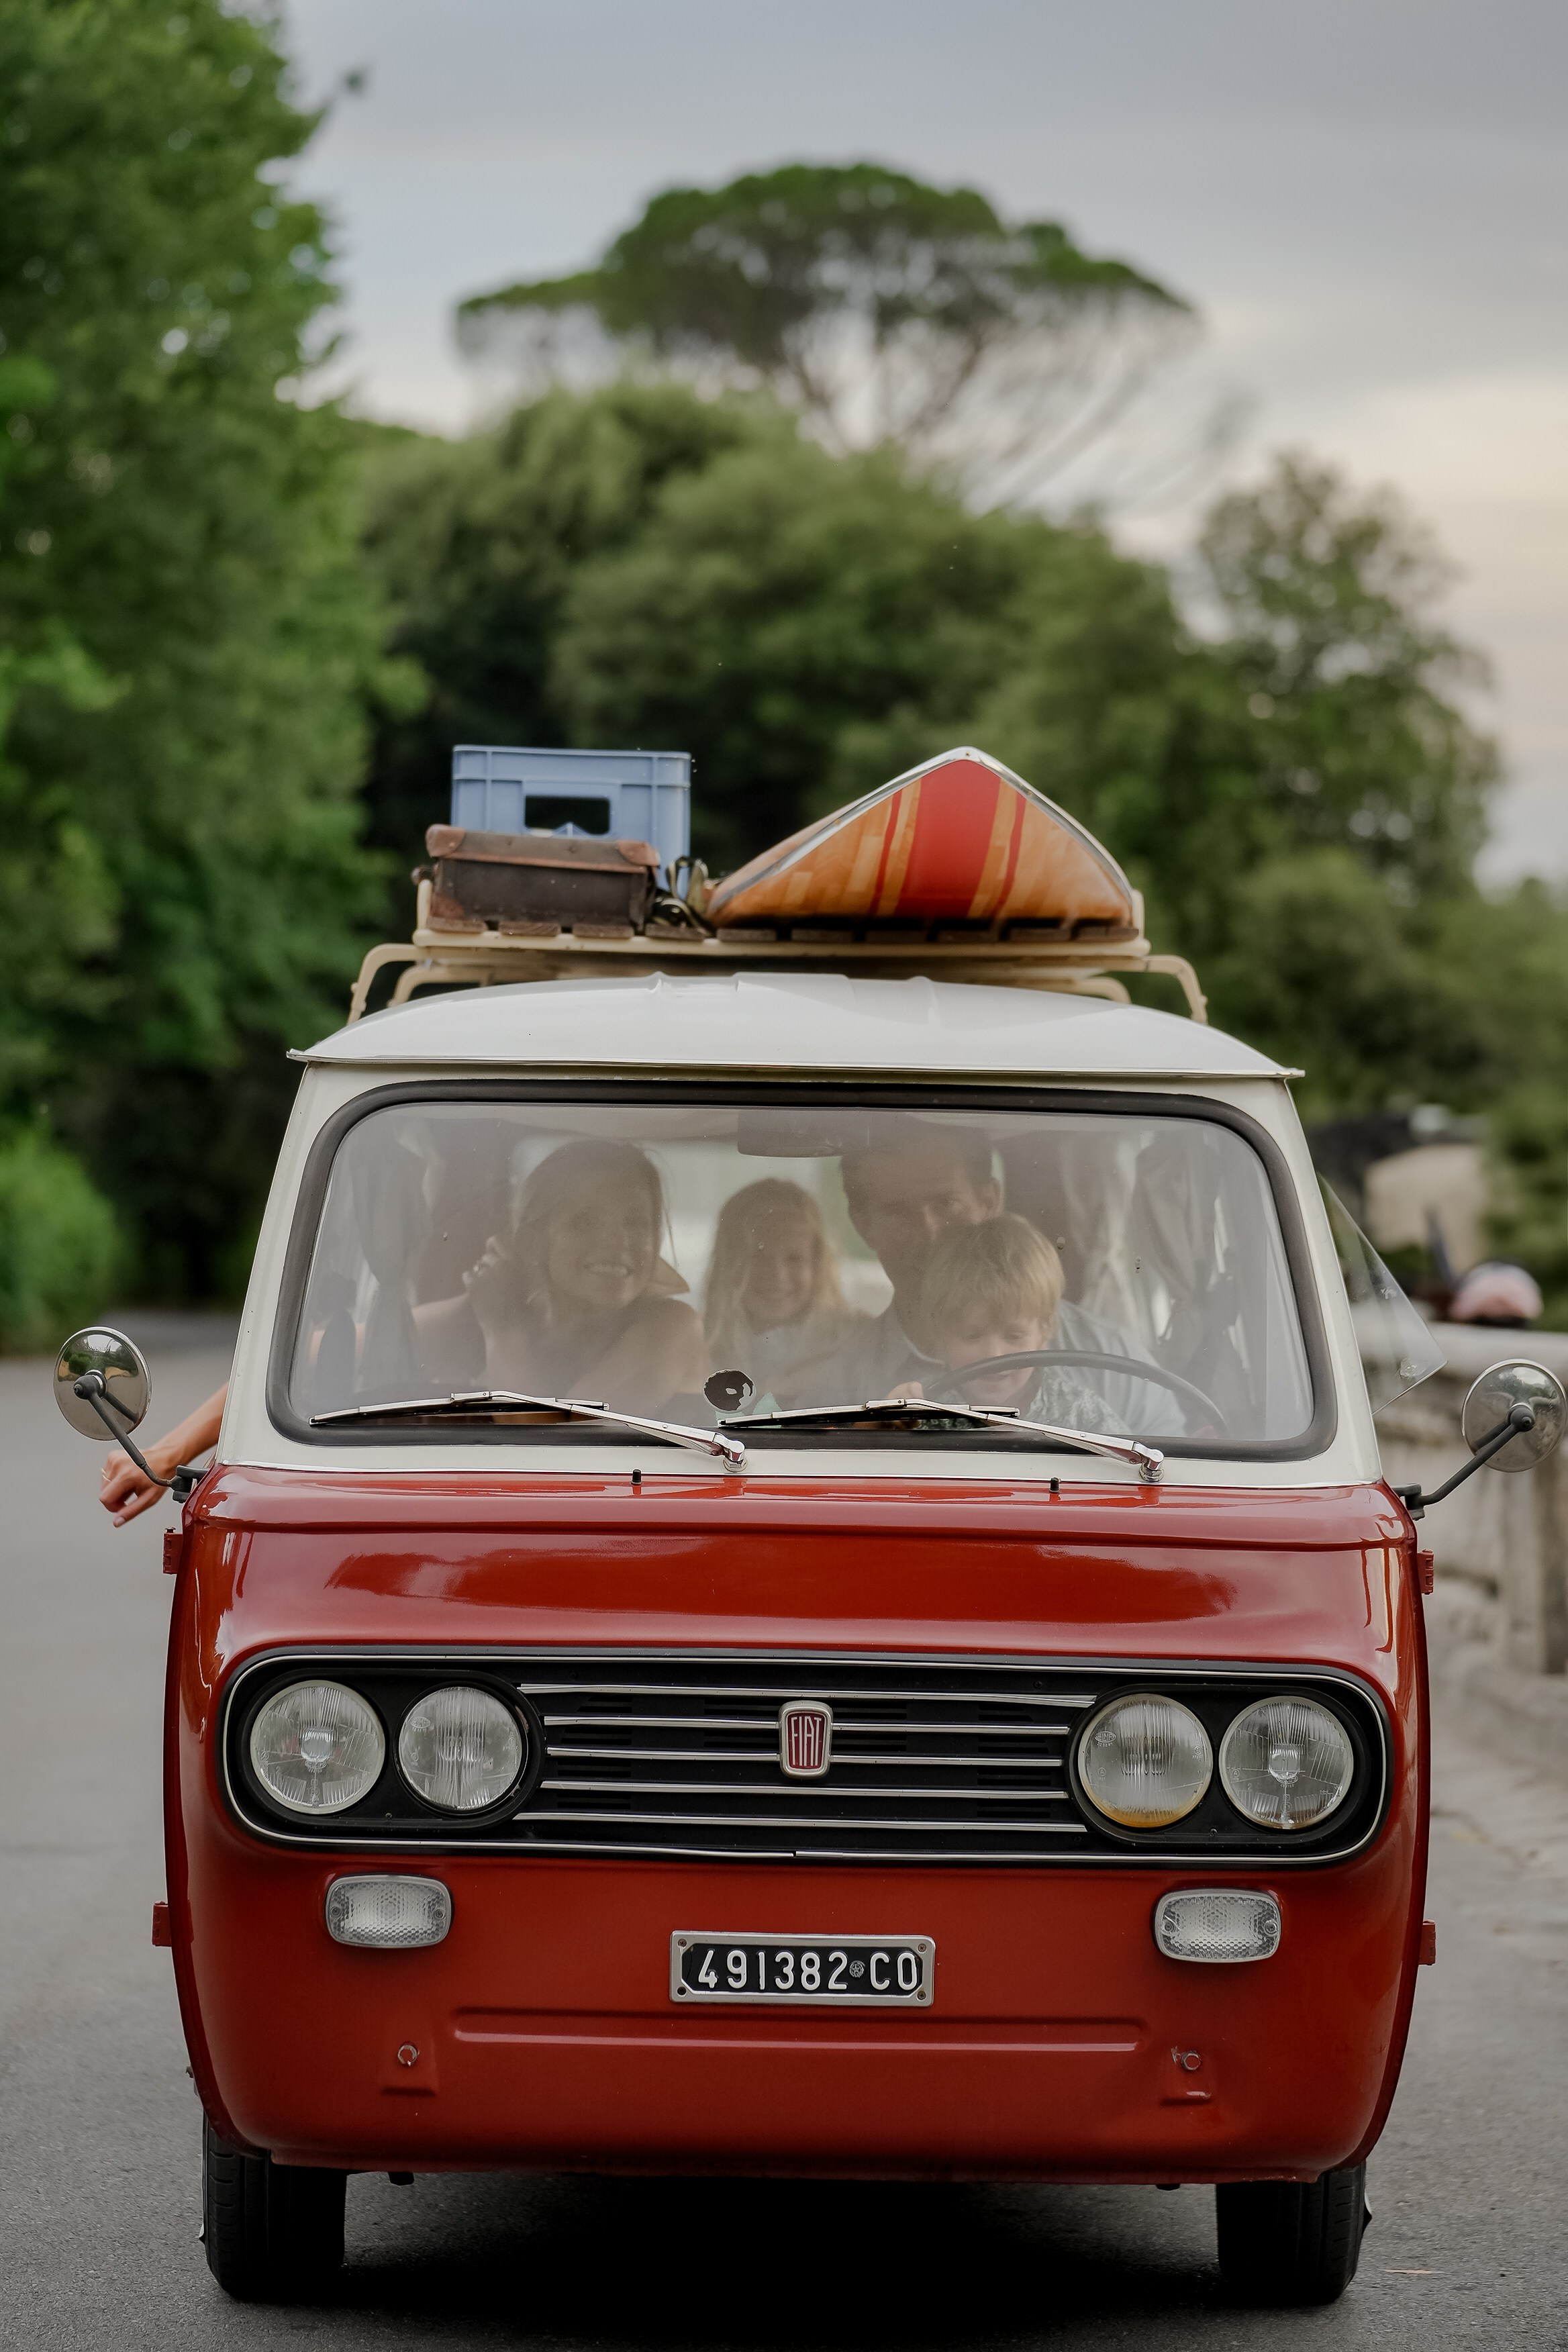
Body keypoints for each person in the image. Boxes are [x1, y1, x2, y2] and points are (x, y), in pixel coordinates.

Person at [818, 1120, 1184, 1435]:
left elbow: (1170, 1489)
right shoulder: (832, 1391)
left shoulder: (1113, 1361)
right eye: (899, 1212)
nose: (929, 1235)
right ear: (862, 1225)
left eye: (946, 1204)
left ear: (990, 1200)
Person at [451, 1138, 707, 1411]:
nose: (619, 1242)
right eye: (586, 1222)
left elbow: (554, 1441)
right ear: (532, 1242)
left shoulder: (672, 1327)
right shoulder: (508, 1305)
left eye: (636, 1223)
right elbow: (404, 1335)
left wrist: (503, 1332)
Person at [893, 1214, 1126, 1432]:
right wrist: (887, 1427)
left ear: (1044, 1333)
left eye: (1014, 1336)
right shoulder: (918, 1413)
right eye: (972, 1335)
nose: (994, 1355)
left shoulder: (1082, 1415)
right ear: (940, 1337)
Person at [703, 1179, 862, 1405]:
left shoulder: (857, 1340)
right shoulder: (700, 1349)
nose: (777, 1276)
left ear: (818, 1265)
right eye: (758, 1256)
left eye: (794, 1258)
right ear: (729, 1264)